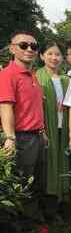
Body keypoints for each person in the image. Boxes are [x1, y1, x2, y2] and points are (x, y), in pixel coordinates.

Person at [0, 31, 45, 181]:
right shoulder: (7, 74)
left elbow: (34, 107)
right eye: (23, 45)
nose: (29, 49)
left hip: (36, 137)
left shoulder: (32, 74)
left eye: (33, 46)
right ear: (12, 49)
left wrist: (42, 131)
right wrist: (10, 138)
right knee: (22, 186)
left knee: (35, 183)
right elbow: (5, 107)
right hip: (21, 138)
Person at [36, 42, 71, 204]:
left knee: (63, 160)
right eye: (50, 54)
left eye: (57, 54)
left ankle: (63, 197)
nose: (54, 57)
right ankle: (48, 200)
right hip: (45, 128)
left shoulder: (66, 80)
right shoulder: (36, 77)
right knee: (47, 165)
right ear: (42, 56)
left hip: (62, 127)